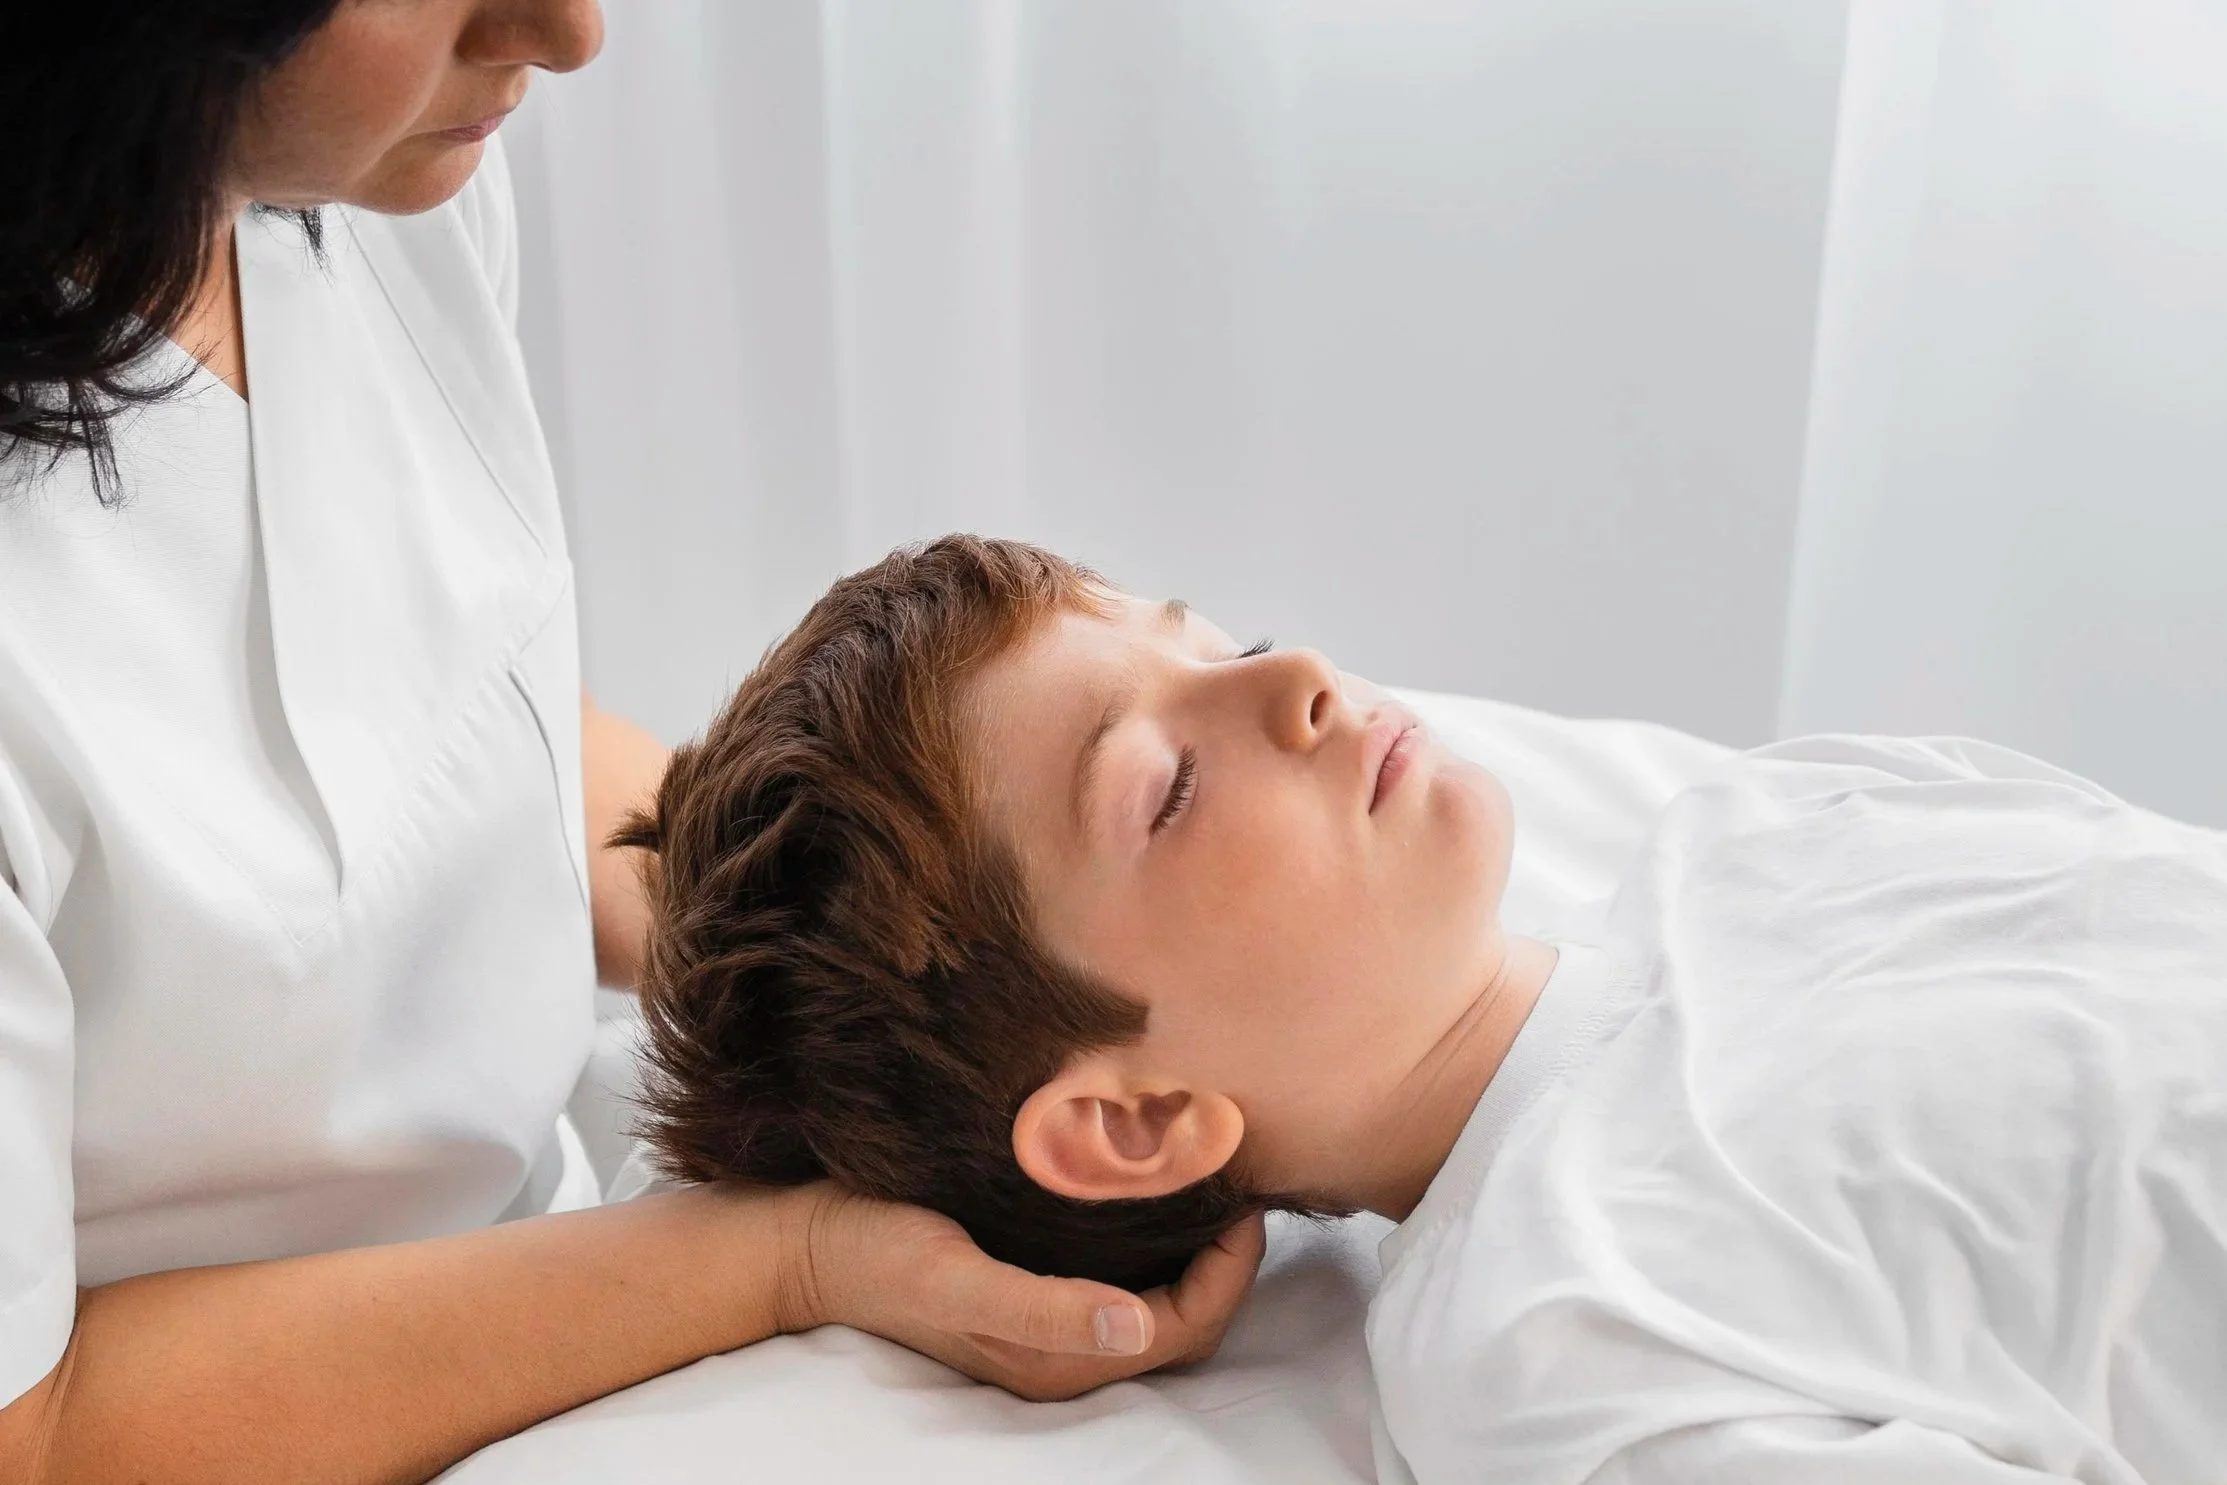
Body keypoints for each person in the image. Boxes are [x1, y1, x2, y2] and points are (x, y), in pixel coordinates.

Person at [0, 9, 1263, 1483]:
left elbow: (478, 732)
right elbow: (34, 1432)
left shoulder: (379, 185)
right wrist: (785, 1260)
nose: (570, 32)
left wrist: (918, 997)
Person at [627, 535, 2227, 1483]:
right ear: (1134, 1116)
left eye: (1230, 645)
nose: (1301, 678)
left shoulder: (1764, 825)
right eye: (1169, 783)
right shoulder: (1555, 1336)